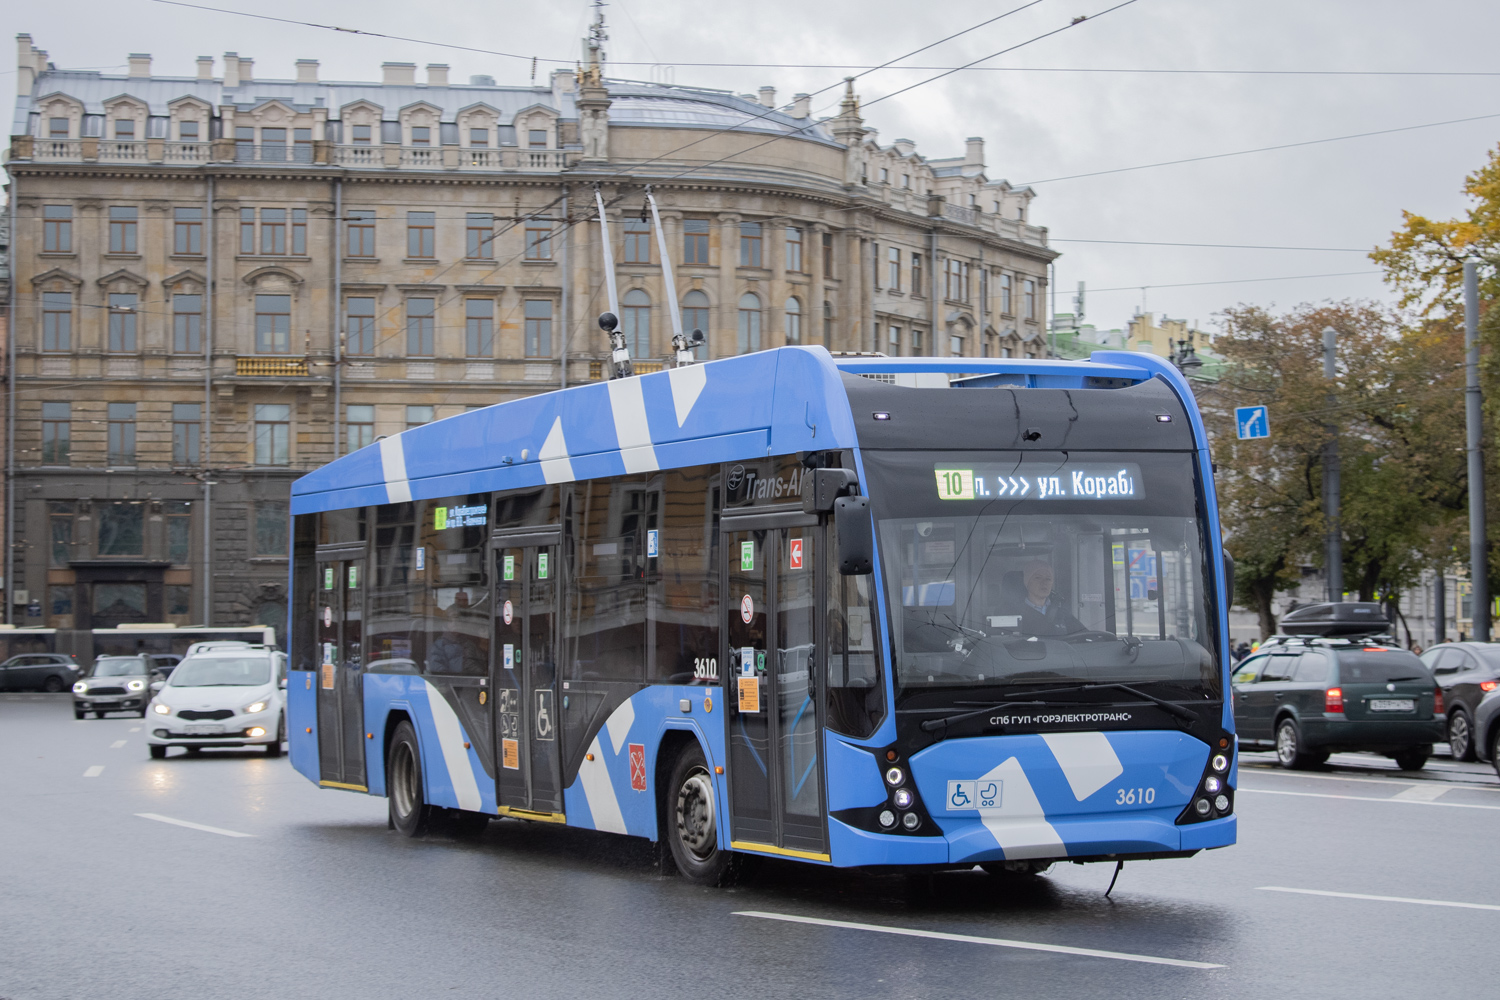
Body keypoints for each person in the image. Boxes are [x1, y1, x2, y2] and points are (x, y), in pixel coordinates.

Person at [1010, 559, 1087, 637]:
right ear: (1027, 581)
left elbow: (1085, 637)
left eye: (1048, 579)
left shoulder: (1062, 613)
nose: (1044, 583)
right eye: (1038, 578)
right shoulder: (1013, 613)